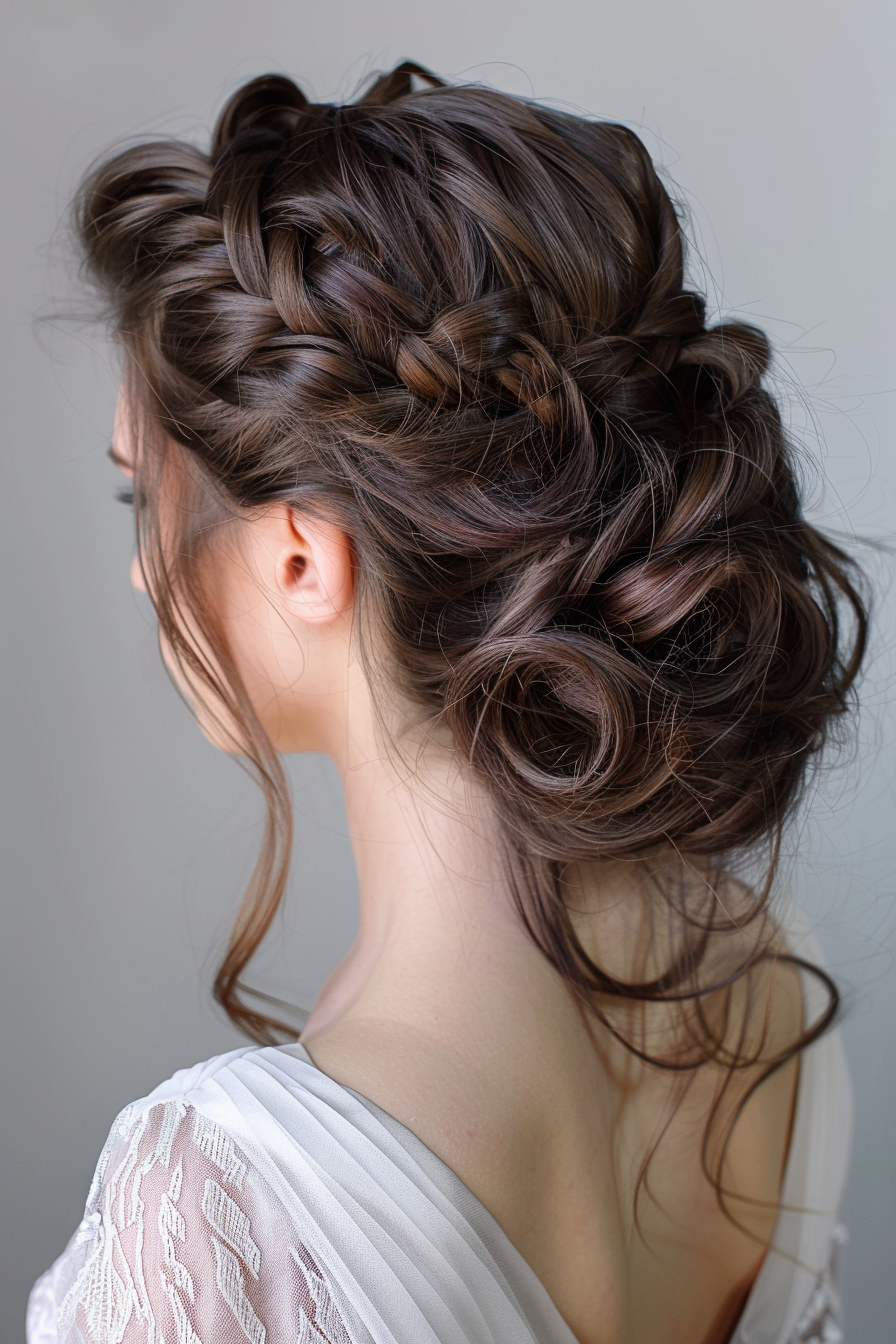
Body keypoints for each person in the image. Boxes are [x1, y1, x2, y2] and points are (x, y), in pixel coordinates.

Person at [26, 61, 867, 1344]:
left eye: (143, 500)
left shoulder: (211, 1204)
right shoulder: (760, 976)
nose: (142, 566)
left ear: (302, 556)